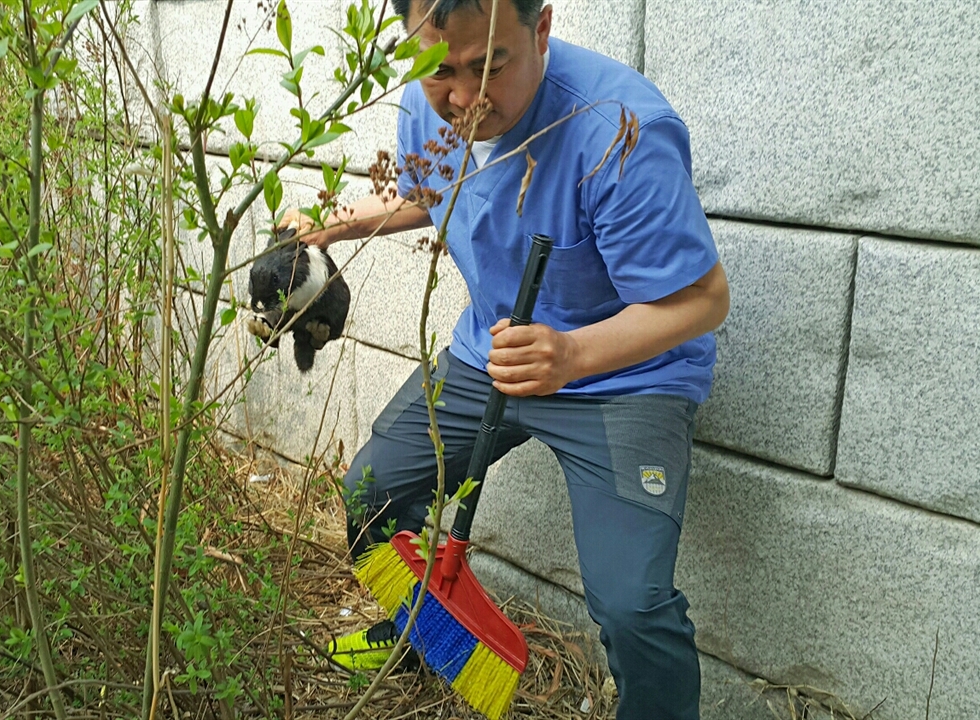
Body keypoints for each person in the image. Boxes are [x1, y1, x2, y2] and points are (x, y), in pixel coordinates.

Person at [274, 1, 729, 717]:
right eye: (440, 72)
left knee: (634, 606)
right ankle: (424, 639)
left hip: (626, 376)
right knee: (369, 493)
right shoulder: (435, 104)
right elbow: (429, 191)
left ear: (541, 29)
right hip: (493, 351)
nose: (462, 98)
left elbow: (704, 300)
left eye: (490, 66)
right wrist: (333, 225)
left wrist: (574, 352)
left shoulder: (620, 130)